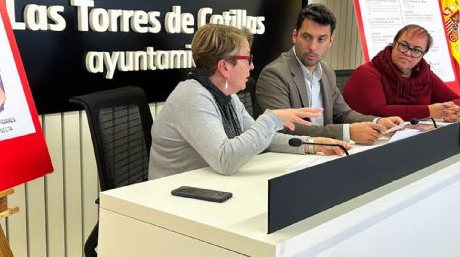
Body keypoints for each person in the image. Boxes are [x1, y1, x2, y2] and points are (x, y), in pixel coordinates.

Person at [148, 24, 351, 180]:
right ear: (225, 67)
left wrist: (314, 144)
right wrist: (271, 119)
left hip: (205, 188)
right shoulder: (192, 97)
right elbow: (225, 159)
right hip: (169, 205)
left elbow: (261, 139)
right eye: (248, 59)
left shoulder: (226, 93)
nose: (252, 66)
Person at [256, 4, 403, 145]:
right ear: (295, 36)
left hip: (325, 153)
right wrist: (348, 132)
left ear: (331, 41)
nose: (313, 47)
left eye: (321, 39)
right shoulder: (274, 74)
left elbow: (343, 114)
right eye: (306, 37)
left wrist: (377, 122)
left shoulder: (326, 71)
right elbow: (287, 129)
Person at [343, 24, 460, 122]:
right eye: (403, 45)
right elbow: (377, 112)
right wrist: (428, 111)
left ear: (423, 55)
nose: (408, 53)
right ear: (393, 44)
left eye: (416, 50)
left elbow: (458, 100)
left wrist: (458, 112)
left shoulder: (425, 75)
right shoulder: (367, 73)